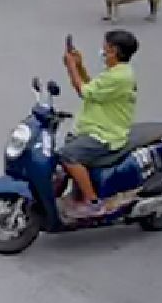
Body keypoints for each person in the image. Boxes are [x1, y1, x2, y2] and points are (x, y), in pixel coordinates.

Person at [59, 29, 139, 217]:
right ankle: (78, 194)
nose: (102, 50)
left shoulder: (120, 76)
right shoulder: (115, 72)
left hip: (106, 134)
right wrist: (79, 66)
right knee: (70, 147)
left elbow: (84, 92)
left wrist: (70, 67)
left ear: (114, 51)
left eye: (105, 47)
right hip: (92, 128)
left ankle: (93, 202)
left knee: (68, 156)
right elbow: (93, 86)